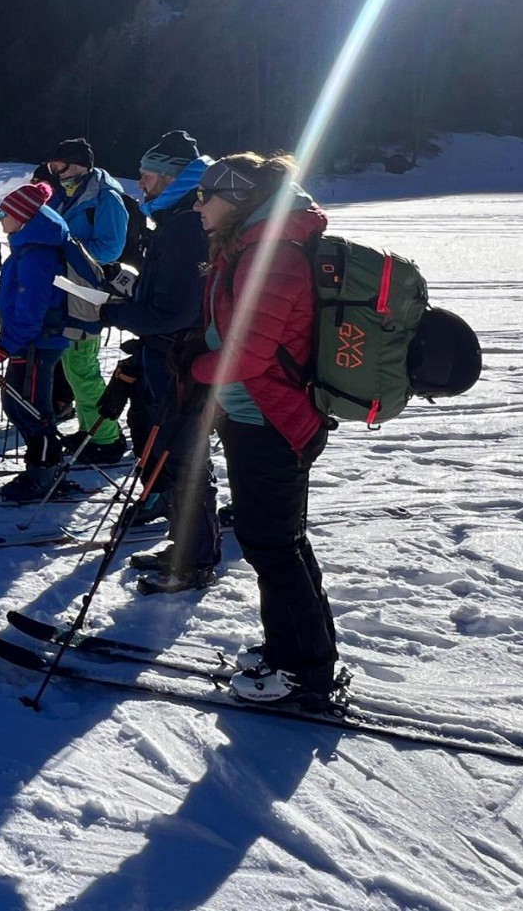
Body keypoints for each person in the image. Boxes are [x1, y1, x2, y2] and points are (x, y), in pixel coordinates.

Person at [187, 152, 336, 703]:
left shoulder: (271, 255)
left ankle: (305, 672)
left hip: (272, 422)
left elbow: (249, 354)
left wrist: (195, 368)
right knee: (277, 540)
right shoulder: (250, 247)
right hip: (256, 416)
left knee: (272, 544)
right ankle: (294, 650)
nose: (198, 206)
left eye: (206, 195)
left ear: (238, 199)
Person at [101, 130, 219, 594]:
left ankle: (195, 560)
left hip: (180, 357)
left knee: (184, 457)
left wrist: (110, 312)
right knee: (173, 451)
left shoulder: (187, 225)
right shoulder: (177, 219)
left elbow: (174, 311)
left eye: (147, 174)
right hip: (169, 353)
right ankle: (184, 546)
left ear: (172, 176)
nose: (140, 183)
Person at [0, 181, 72, 498]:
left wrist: (0, 349)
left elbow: (31, 313)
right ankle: (44, 469)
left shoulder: (36, 255)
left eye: (3, 214)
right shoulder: (26, 248)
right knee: (18, 405)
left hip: (37, 343)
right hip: (26, 342)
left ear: (21, 217)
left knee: (33, 410)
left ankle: (44, 476)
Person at [47, 137, 130, 462]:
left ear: (80, 164)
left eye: (61, 166)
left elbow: (110, 248)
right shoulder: (68, 195)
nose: (56, 173)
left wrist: (68, 252)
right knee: (72, 368)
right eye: (53, 167)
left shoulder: (106, 198)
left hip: (87, 293)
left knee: (82, 367)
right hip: (66, 290)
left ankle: (107, 440)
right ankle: (89, 430)